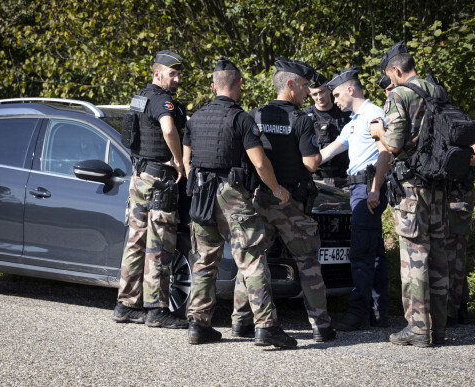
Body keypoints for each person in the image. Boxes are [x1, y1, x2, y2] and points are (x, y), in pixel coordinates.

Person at [183, 57, 297, 347]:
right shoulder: (241, 118)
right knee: (252, 260)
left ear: (213, 86)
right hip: (232, 195)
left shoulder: (195, 118)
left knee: (204, 261)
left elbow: (186, 161)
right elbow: (259, 162)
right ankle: (266, 327)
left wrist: (195, 185)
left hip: (201, 194)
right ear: (240, 84)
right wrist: (277, 189)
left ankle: (198, 325)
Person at [232, 57, 336, 343]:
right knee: (307, 262)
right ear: (289, 85)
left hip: (262, 198)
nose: (306, 92)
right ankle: (321, 327)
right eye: (303, 86)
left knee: (252, 260)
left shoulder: (254, 116)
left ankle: (240, 322)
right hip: (292, 202)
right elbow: (312, 163)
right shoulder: (301, 120)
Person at [369, 41, 448, 347]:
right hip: (440, 186)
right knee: (439, 259)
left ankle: (418, 329)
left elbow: (394, 145)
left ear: (396, 71)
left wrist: (378, 132)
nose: (390, 82)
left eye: (390, 76)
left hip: (412, 190)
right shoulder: (438, 91)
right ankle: (438, 329)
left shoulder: (400, 94)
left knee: (415, 260)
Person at [112, 50, 189, 329]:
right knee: (159, 244)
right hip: (159, 180)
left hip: (140, 176)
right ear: (157, 73)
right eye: (173, 73)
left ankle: (125, 305)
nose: (177, 79)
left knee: (135, 242)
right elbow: (169, 130)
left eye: (178, 74)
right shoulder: (161, 100)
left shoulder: (139, 98)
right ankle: (157, 309)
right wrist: (179, 162)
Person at [319, 67, 391, 330]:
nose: (334, 100)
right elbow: (327, 153)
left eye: (336, 94)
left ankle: (359, 312)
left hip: (368, 188)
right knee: (374, 253)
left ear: (351, 90)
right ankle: (378, 311)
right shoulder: (354, 122)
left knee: (361, 252)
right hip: (358, 189)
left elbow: (385, 153)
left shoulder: (374, 115)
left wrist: (374, 190)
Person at [446, 138, 475, 325]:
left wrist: (446, 159)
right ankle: (457, 306)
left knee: (453, 252)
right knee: (447, 252)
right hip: (437, 193)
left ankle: (451, 311)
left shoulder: (458, 121)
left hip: (457, 193)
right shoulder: (424, 120)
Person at [303, 72, 350, 187]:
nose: (319, 97)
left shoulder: (344, 112)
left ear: (329, 90)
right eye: (315, 94)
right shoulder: (305, 116)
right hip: (317, 178)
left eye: (322, 91)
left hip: (344, 177)